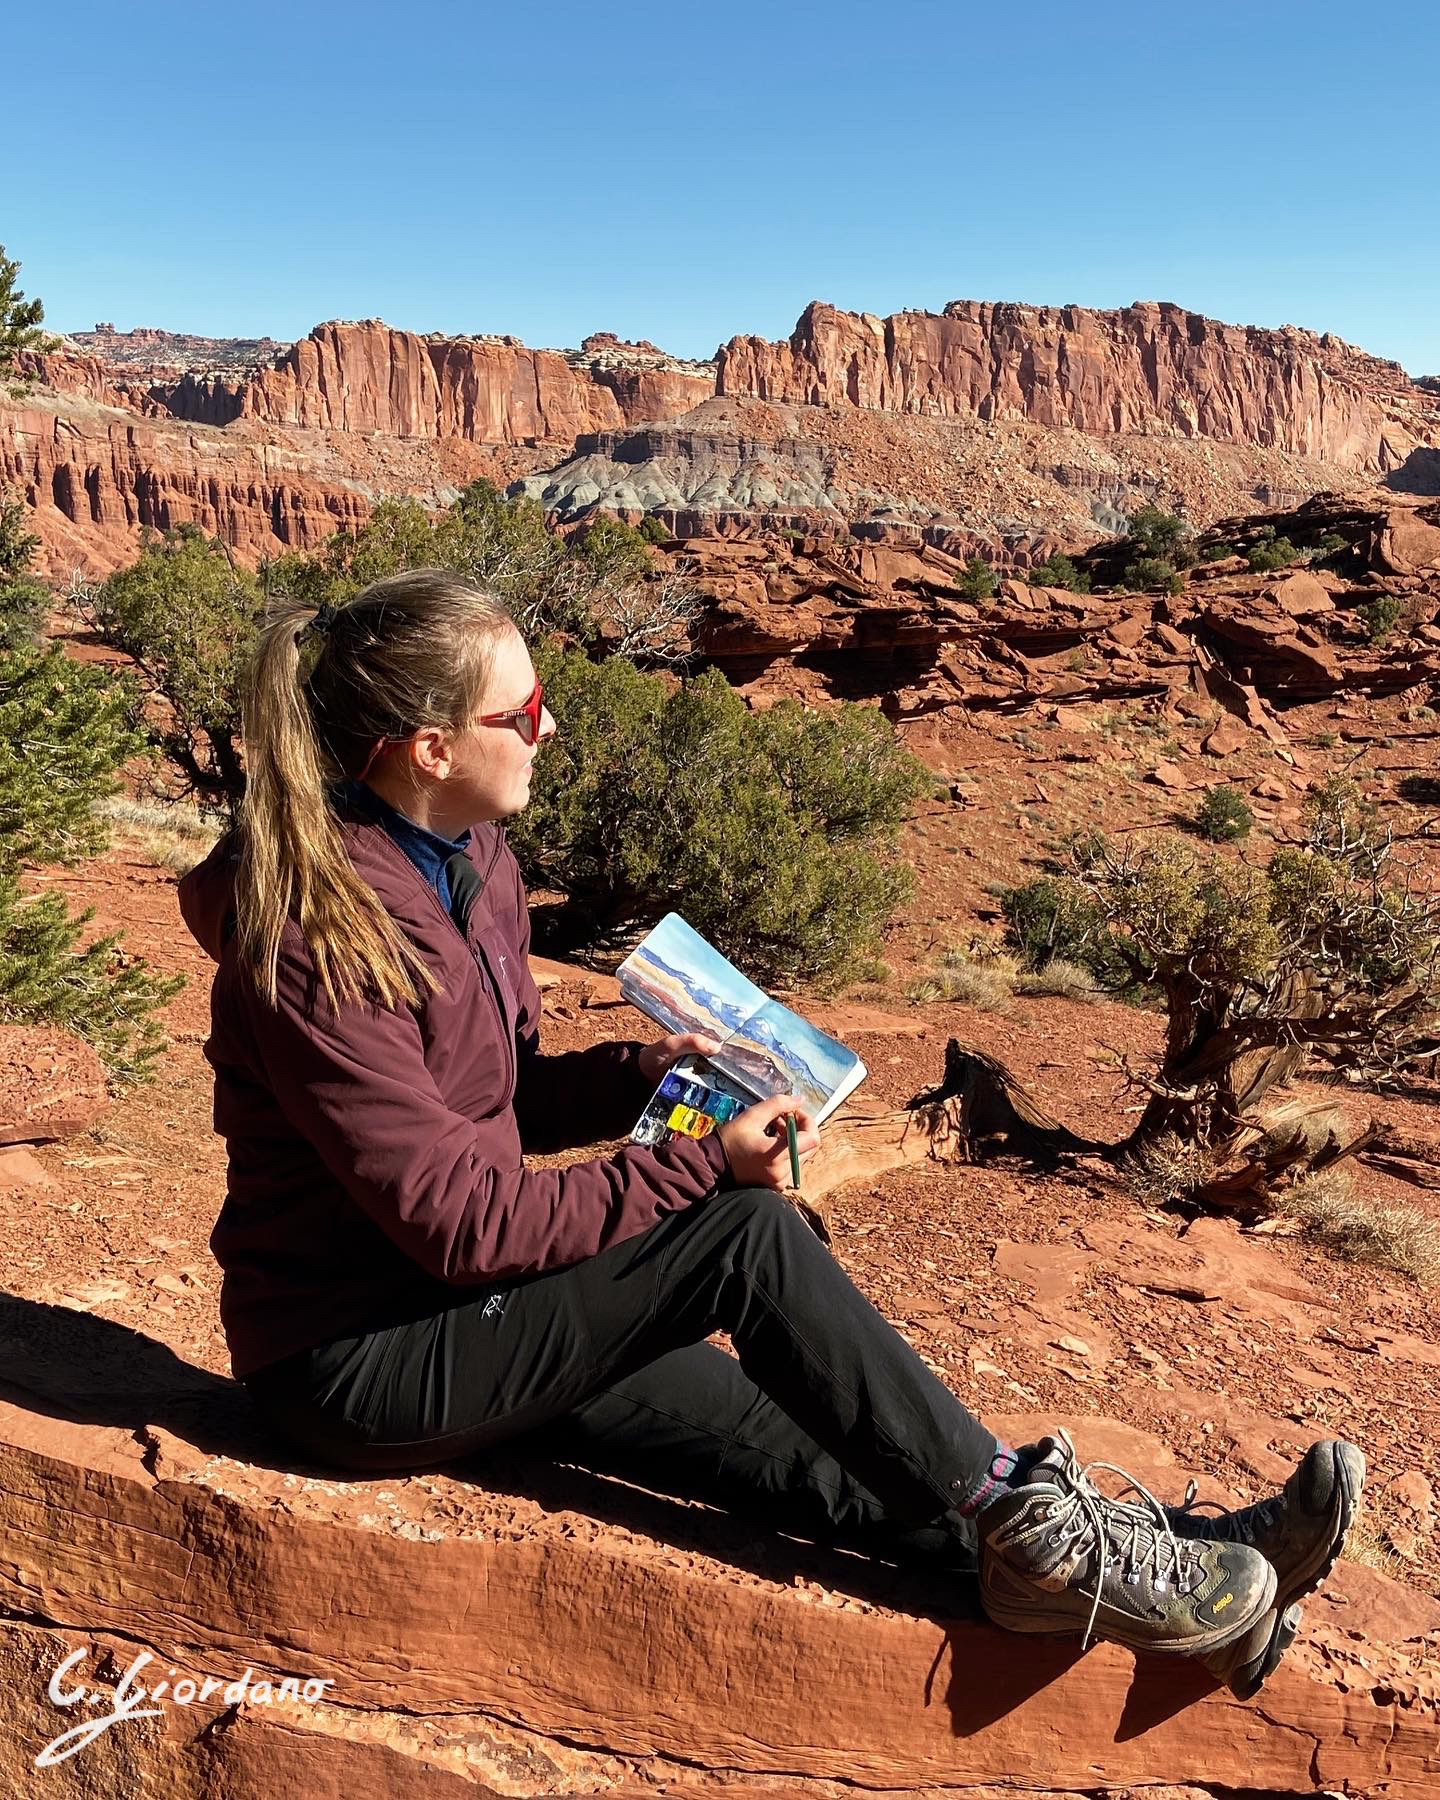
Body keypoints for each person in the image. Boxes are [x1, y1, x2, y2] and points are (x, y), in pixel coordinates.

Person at [179, 569, 1363, 1701]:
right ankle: (1051, 1536)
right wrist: (705, 1161)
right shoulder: (316, 936)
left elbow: (491, 1098)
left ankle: (1166, 1565)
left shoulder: (471, 858)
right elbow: (462, 1220)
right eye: (526, 709)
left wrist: (649, 1071)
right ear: (431, 750)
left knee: (830, 1453)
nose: (549, 731)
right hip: (358, 1361)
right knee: (740, 1233)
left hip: (479, 1316)